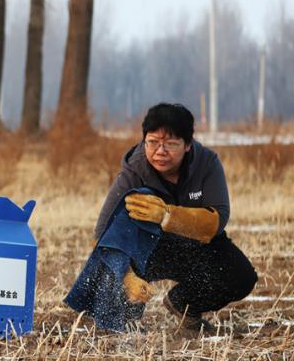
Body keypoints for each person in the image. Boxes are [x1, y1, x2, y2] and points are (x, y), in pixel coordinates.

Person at [93, 102, 258, 333]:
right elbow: (102, 232)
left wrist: (168, 216)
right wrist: (127, 278)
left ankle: (183, 304)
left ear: (188, 144)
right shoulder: (134, 171)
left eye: (170, 144)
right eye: (153, 142)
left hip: (195, 246)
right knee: (108, 277)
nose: (160, 151)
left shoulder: (207, 163)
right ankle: (122, 319)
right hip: (148, 249)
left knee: (240, 276)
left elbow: (218, 219)